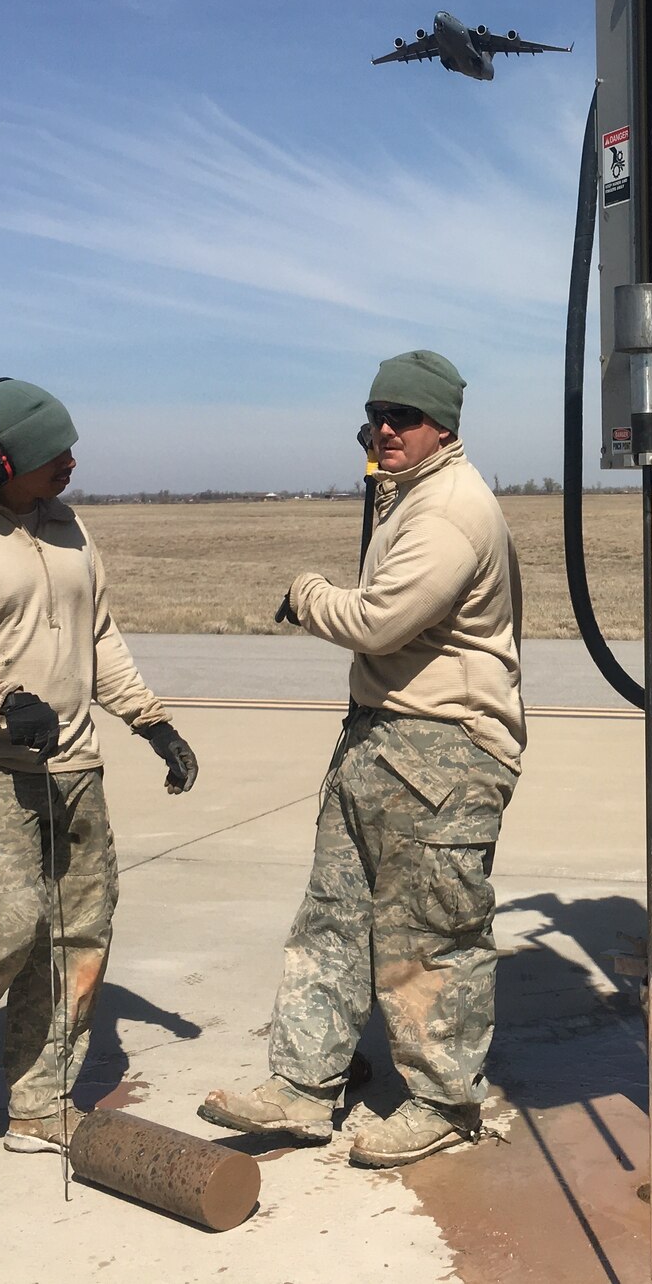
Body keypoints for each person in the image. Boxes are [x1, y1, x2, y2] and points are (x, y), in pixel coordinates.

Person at [201, 349, 524, 1168]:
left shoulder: (450, 511)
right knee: (334, 920)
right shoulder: (408, 497)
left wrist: (307, 593)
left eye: (403, 418)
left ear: (442, 425)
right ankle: (305, 1088)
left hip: (443, 750)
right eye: (377, 415)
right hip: (382, 740)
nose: (385, 429)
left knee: (431, 935)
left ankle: (445, 1102)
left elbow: (380, 622)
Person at [0, 377, 199, 1177]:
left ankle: (40, 1100)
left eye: (71, 449)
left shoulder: (66, 526)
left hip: (74, 762)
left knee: (77, 937)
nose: (71, 465)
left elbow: (100, 633)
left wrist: (149, 718)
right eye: (53, 456)